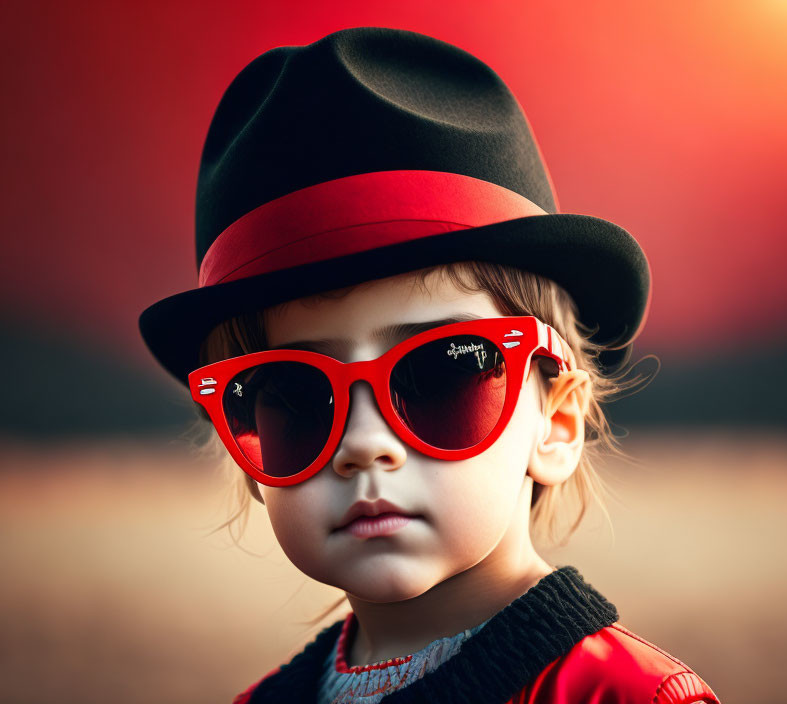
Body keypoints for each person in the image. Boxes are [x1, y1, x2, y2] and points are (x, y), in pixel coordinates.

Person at [139, 26, 721, 704]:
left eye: (442, 371)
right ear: (251, 453)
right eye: (294, 398)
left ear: (556, 423)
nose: (363, 445)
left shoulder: (625, 698)